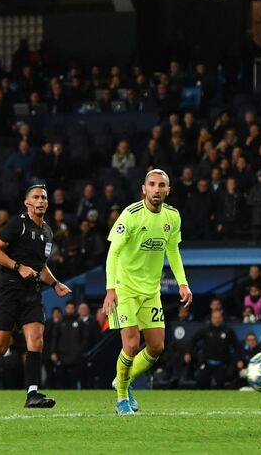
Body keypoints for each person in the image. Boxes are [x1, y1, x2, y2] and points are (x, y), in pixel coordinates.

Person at [0, 184, 71, 408]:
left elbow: (41, 266)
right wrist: (18, 267)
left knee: (36, 340)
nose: (41, 201)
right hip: (8, 289)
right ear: (27, 203)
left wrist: (55, 284)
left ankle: (33, 395)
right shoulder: (18, 224)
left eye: (44, 198)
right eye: (36, 197)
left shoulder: (47, 231)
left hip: (31, 292)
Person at [102, 169, 192, 415]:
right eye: (151, 184)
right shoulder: (130, 215)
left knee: (156, 347)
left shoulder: (172, 217)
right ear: (144, 188)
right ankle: (122, 398)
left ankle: (122, 380)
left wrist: (182, 283)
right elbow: (113, 254)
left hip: (151, 291)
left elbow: (172, 250)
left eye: (161, 185)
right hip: (125, 287)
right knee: (130, 345)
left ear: (167, 190)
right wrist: (111, 290)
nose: (156, 189)